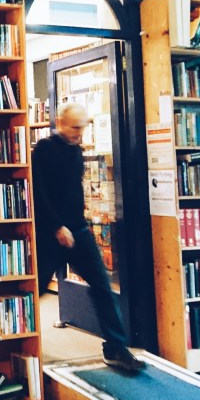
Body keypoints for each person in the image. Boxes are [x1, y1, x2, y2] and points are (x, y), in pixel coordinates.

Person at [31, 102, 144, 373]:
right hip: (51, 234)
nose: (79, 133)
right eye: (74, 127)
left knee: (103, 287)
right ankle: (23, 345)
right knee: (33, 291)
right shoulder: (44, 150)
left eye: (83, 127)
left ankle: (116, 348)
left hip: (78, 231)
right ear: (60, 122)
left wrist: (75, 225)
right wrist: (56, 226)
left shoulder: (77, 152)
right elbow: (37, 191)